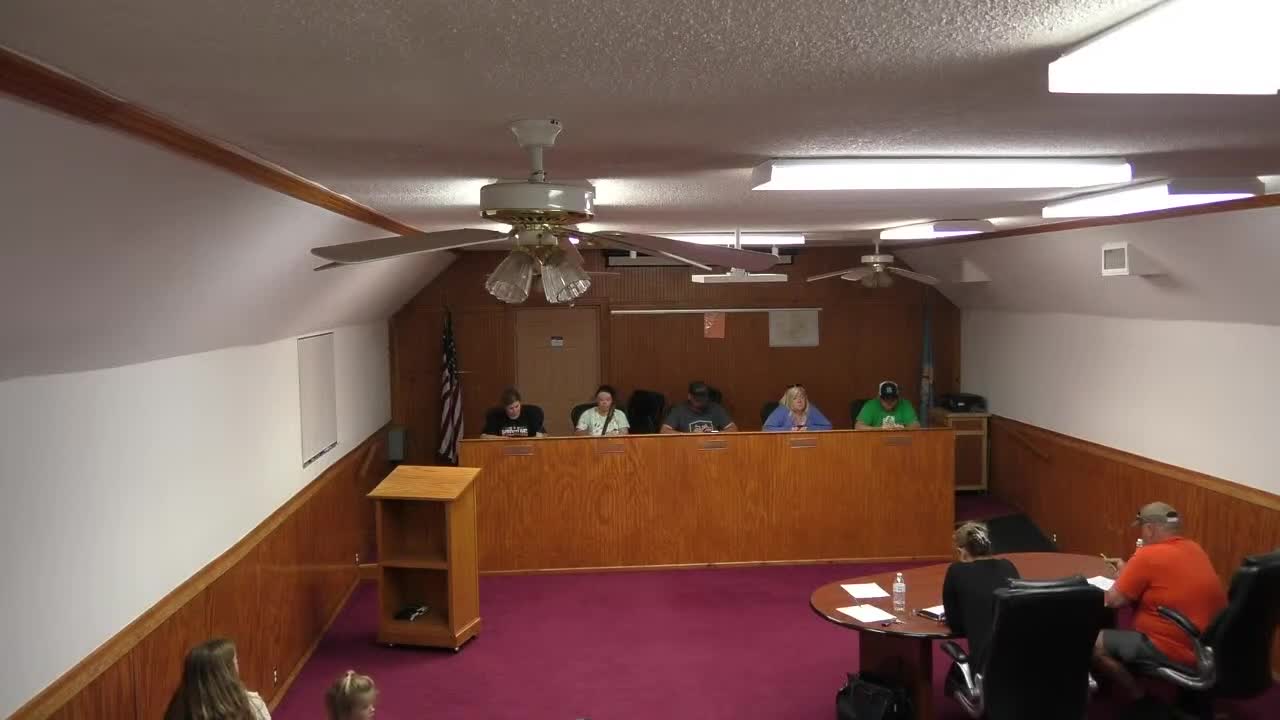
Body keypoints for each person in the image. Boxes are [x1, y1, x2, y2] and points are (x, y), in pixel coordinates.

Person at [1093, 502, 1227, 704]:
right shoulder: (1195, 548)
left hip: (1174, 647)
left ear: (1150, 529)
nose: (1142, 534)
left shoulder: (1147, 555)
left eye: (1142, 529)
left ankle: (1140, 697)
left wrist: (1125, 575)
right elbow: (1162, 580)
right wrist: (1129, 572)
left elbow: (1113, 600)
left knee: (1092, 643)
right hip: (1206, 645)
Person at [941, 522, 1020, 672]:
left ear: (961, 552)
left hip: (986, 669)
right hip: (1020, 663)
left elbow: (956, 625)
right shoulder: (1008, 566)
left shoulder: (956, 571)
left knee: (954, 673)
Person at [164, 638, 270, 720]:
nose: (238, 666)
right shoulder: (252, 706)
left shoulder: (177, 712)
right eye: (235, 662)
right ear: (226, 673)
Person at [660, 381, 737, 433]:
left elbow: (733, 428)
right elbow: (664, 430)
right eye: (697, 397)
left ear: (708, 397)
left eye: (703, 397)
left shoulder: (716, 409)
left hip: (711, 445)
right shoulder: (679, 410)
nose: (700, 400)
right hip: (688, 445)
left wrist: (715, 434)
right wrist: (688, 436)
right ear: (689, 396)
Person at [763, 385, 833, 431]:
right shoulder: (782, 410)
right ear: (789, 401)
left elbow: (828, 426)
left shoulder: (810, 409)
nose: (799, 401)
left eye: (802, 397)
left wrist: (808, 429)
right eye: (795, 398)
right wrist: (789, 429)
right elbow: (766, 428)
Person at [481, 388, 546, 438]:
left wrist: (536, 437)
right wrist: (501, 439)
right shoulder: (495, 415)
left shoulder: (532, 413)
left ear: (520, 403)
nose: (515, 410)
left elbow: (544, 434)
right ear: (505, 407)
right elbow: (483, 436)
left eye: (517, 406)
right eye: (511, 408)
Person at [854, 380, 920, 430]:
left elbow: (916, 426)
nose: (889, 402)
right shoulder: (871, 405)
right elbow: (858, 426)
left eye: (893, 399)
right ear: (879, 397)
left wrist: (901, 430)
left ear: (898, 397)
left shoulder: (905, 404)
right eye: (885, 399)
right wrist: (880, 429)